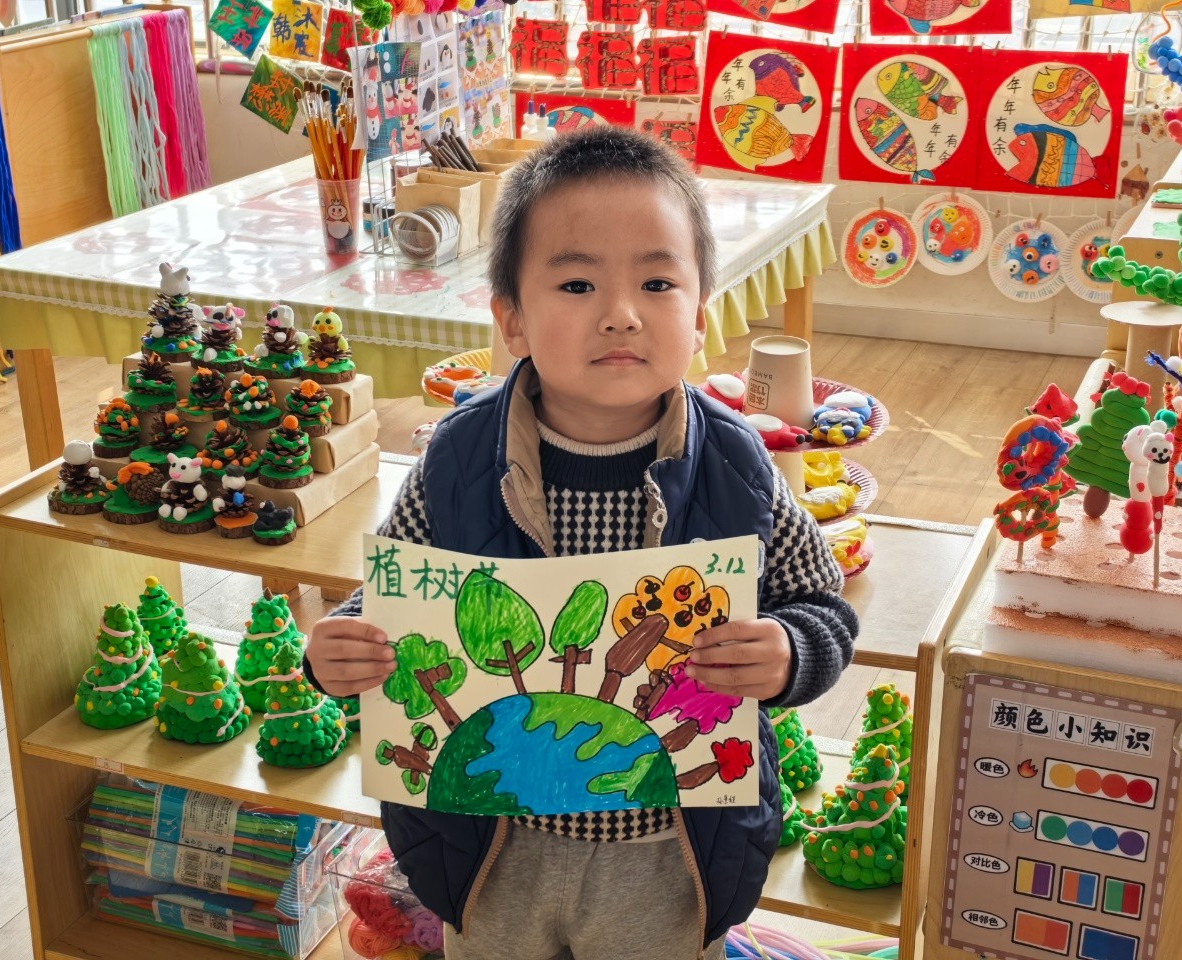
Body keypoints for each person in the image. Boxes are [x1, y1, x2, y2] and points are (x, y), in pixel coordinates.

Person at [306, 127, 857, 960]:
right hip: (490, 846)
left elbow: (821, 605)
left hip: (668, 854)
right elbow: (388, 602)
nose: (621, 313)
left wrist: (787, 651)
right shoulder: (458, 459)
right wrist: (341, 648)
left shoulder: (735, 462)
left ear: (700, 315)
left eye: (658, 282)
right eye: (576, 283)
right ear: (512, 319)